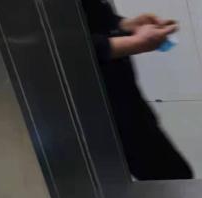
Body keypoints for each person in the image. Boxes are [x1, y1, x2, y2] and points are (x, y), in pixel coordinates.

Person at [82, 0, 192, 180]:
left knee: (172, 175)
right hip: (81, 109)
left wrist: (124, 26)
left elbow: (91, 17)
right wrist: (134, 42)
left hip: (122, 98)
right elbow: (51, 45)